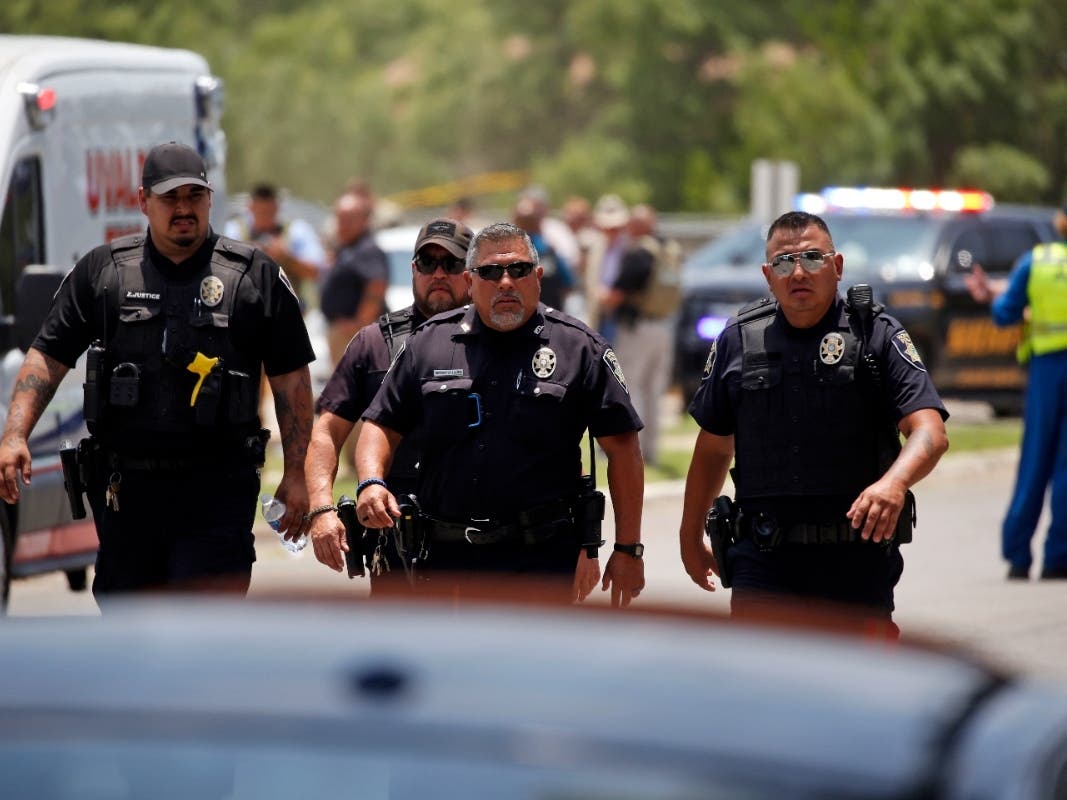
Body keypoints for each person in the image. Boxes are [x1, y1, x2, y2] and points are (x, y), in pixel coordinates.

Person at [0, 142, 314, 603]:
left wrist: (298, 474)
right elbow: (47, 354)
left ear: (210, 199)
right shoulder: (104, 273)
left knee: (203, 634)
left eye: (194, 196)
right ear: (143, 201)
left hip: (217, 491)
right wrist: (14, 434)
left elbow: (292, 379)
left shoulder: (254, 277)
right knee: (130, 639)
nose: (184, 208)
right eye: (171, 198)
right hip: (128, 496)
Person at [679, 210, 949, 633]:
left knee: (859, 692)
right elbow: (713, 447)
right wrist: (689, 534)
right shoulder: (739, 339)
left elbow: (929, 430)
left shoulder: (876, 333)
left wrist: (894, 484)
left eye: (812, 258)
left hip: (855, 562)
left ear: (837, 266)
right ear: (768, 276)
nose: (798, 272)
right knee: (762, 691)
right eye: (784, 262)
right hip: (762, 562)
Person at [355, 222, 646, 606]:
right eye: (490, 272)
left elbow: (623, 448)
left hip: (540, 560)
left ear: (538, 277)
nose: (505, 282)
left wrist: (627, 549)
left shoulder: (579, 348)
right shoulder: (429, 344)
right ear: (470, 281)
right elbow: (380, 423)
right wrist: (371, 481)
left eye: (518, 270)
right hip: (445, 561)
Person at [306, 217, 473, 591]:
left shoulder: (498, 339)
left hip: (480, 536)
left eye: (452, 263)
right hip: (398, 533)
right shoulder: (375, 343)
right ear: (414, 270)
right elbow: (327, 432)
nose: (439, 273)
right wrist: (321, 509)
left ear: (472, 272)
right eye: (427, 264)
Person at [965, 204, 1067, 580]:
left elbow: (1004, 314)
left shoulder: (1037, 262)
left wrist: (1013, 305)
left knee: (1034, 462)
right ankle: (1059, 557)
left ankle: (1018, 557)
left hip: (1045, 372)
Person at [599, 204, 681, 465]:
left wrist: (601, 299)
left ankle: (634, 452)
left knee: (632, 388)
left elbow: (617, 293)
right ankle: (651, 453)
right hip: (664, 326)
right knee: (654, 392)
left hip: (639, 327)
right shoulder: (669, 249)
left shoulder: (641, 253)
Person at [223, 183, 327, 305]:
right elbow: (222, 267)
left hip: (287, 309)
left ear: (277, 207)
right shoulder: (234, 230)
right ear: (250, 208)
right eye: (260, 211)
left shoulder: (297, 231)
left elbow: (317, 272)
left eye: (268, 211)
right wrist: (250, 254)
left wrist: (286, 258)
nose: (264, 216)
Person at [319, 190, 389, 367]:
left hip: (354, 335)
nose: (343, 225)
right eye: (340, 219)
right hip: (343, 333)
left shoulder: (367, 249)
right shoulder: (347, 248)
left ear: (364, 221)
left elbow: (377, 285)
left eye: (349, 220)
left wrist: (358, 325)